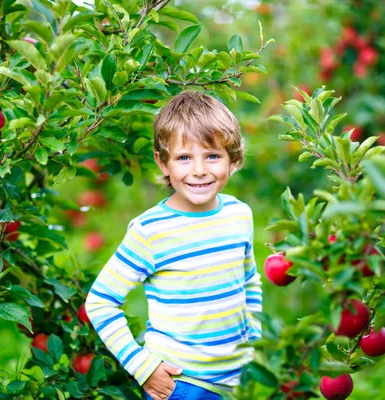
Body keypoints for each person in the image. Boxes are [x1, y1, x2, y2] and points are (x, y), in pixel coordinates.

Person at [85, 91, 262, 400]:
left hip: (237, 382)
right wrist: (142, 365)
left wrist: (254, 338)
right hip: (181, 383)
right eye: (184, 157)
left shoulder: (239, 215)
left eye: (212, 155)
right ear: (162, 162)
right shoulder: (150, 231)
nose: (198, 170)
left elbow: (249, 281)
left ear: (233, 160)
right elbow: (100, 302)